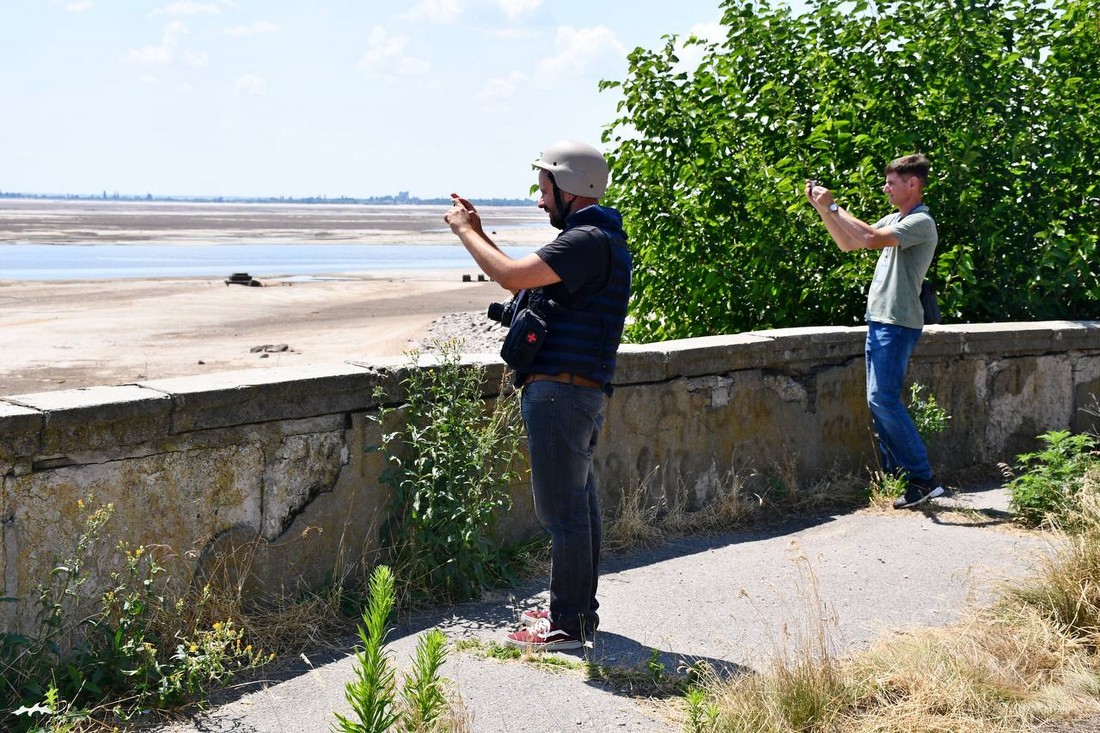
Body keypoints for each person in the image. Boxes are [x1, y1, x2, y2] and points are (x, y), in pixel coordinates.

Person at [444, 140, 632, 650]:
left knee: (563, 513)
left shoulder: (586, 240)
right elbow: (522, 287)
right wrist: (481, 231)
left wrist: (464, 232)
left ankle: (568, 626)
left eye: (544, 189)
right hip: (576, 391)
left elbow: (509, 275)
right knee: (579, 507)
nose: (540, 200)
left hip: (560, 395)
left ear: (569, 189)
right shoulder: (598, 238)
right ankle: (577, 614)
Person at [806, 154, 944, 509]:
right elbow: (849, 242)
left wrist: (834, 205)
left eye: (891, 183)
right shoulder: (896, 218)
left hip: (897, 323)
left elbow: (868, 238)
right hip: (880, 320)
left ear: (912, 184)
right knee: (877, 401)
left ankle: (922, 478)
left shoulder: (920, 222)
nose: (885, 188)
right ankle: (897, 476)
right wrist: (823, 211)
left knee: (883, 399)